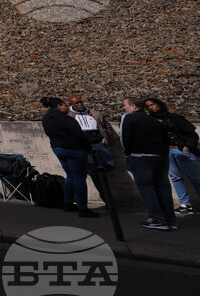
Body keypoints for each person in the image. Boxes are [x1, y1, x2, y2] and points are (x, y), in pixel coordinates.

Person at [122, 97, 178, 230]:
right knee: (163, 188)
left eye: (125, 105)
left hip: (141, 158)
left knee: (147, 189)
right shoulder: (153, 120)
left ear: (133, 107)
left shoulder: (130, 118)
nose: (124, 108)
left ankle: (158, 219)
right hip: (161, 157)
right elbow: (165, 138)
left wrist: (127, 153)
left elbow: (126, 137)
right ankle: (171, 220)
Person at [41, 96, 99, 218]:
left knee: (70, 176)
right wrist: (88, 148)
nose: (67, 107)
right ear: (59, 106)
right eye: (64, 105)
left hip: (57, 148)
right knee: (79, 178)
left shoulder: (46, 119)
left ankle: (67, 203)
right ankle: (83, 208)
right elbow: (79, 136)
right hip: (73, 150)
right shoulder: (67, 119)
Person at [143, 97, 200, 217]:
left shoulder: (175, 118)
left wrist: (187, 147)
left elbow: (192, 134)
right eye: (148, 106)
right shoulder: (150, 120)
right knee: (175, 178)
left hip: (181, 150)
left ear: (159, 105)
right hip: (166, 152)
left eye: (152, 105)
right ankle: (185, 205)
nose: (150, 107)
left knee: (195, 178)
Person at [67, 95, 117, 204]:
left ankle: (107, 194)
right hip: (84, 147)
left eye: (80, 102)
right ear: (71, 105)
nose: (80, 105)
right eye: (77, 103)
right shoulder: (69, 116)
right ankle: (107, 199)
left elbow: (107, 126)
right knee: (94, 172)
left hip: (99, 144)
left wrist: (106, 138)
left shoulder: (94, 113)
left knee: (109, 165)